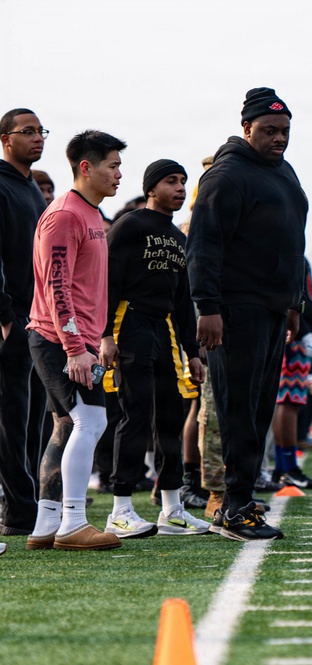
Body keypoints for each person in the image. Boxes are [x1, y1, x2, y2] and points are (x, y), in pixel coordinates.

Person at [187, 87, 307, 541]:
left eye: (285, 131)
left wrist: (294, 302)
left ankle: (239, 504)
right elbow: (203, 246)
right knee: (238, 410)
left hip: (273, 309)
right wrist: (208, 307)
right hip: (236, 309)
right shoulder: (227, 175)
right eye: (269, 130)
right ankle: (235, 507)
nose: (279, 138)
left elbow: (292, 242)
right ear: (246, 129)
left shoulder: (284, 172)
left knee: (257, 411)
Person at [26, 130, 127, 551]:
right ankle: (73, 523)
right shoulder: (65, 214)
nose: (120, 174)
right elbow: (57, 287)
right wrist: (74, 349)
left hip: (77, 341)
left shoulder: (91, 214)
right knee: (93, 421)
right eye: (113, 165)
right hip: (59, 341)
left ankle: (47, 525)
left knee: (67, 425)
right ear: (86, 167)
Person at [99, 159, 210, 538]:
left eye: (183, 181)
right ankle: (120, 509)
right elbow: (107, 283)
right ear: (151, 188)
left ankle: (172, 509)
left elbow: (182, 301)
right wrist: (105, 335)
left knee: (169, 418)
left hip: (165, 330)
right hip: (130, 323)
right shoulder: (130, 226)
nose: (179, 188)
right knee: (136, 414)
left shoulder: (180, 239)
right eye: (170, 181)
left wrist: (192, 351)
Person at [0, 108, 50, 536]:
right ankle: (19, 510)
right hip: (11, 318)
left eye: (40, 131)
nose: (37, 138)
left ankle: (26, 505)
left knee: (35, 417)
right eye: (27, 131)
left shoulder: (29, 187)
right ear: (5, 138)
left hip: (35, 318)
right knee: (12, 417)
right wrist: (3, 317)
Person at [270, 259, 312, 490]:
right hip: (294, 334)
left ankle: (283, 467)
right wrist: (306, 333)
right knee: (288, 402)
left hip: (295, 331)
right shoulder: (289, 249)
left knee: (287, 402)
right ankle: (288, 467)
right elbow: (293, 295)